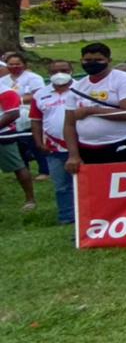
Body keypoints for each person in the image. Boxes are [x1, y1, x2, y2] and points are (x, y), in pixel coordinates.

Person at [63, 42, 126, 174]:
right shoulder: (78, 87)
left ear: (109, 60)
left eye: (98, 60)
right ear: (81, 61)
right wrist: (73, 155)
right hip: (88, 149)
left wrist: (90, 111)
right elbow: (69, 124)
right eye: (88, 60)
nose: (92, 63)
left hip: (122, 145)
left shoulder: (124, 80)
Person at [29, 60, 76, 223]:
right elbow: (35, 120)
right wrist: (38, 142)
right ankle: (67, 217)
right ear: (49, 74)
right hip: (54, 148)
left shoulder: (81, 89)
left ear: (71, 70)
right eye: (54, 71)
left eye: (63, 70)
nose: (59, 74)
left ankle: (91, 214)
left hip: (83, 145)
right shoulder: (40, 94)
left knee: (87, 183)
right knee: (62, 185)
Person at [3, 52, 48, 180]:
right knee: (19, 145)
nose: (14, 66)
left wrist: (17, 100)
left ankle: (44, 170)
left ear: (24, 64)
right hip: (11, 115)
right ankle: (24, 169)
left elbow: (37, 94)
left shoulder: (33, 78)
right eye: (11, 64)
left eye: (17, 64)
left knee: (34, 141)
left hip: (29, 113)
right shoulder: (3, 80)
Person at [0, 76, 34, 211]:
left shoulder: (6, 92)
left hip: (3, 134)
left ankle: (30, 199)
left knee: (17, 166)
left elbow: (13, 114)